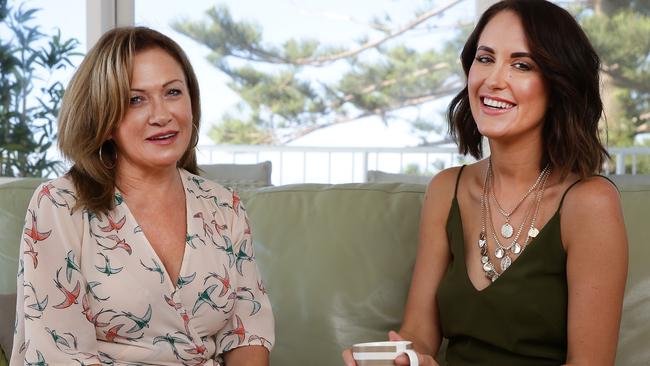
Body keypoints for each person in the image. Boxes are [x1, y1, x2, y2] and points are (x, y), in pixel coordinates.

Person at [343, 0, 627, 365]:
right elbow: (418, 334)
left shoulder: (590, 203)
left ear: (558, 85)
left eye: (521, 65)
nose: (493, 80)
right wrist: (397, 359)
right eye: (485, 58)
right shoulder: (446, 189)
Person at [11, 27, 274, 366]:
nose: (162, 115)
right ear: (104, 119)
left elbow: (247, 333)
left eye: (173, 92)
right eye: (136, 99)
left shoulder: (225, 206)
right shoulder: (59, 205)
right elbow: (61, 353)